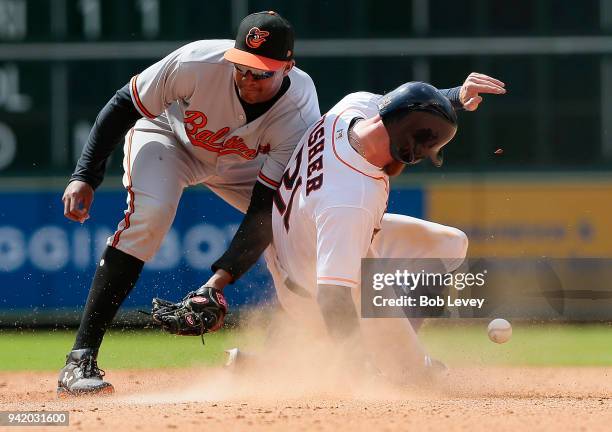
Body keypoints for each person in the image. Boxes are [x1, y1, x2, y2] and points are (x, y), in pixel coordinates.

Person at [57, 11, 320, 397]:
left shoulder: (299, 115)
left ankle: (282, 355)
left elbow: (264, 210)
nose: (248, 80)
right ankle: (79, 360)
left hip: (240, 163)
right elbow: (123, 105)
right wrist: (85, 175)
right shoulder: (196, 62)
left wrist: (218, 281)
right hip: (169, 137)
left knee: (293, 228)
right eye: (242, 68)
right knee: (151, 216)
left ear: (288, 68)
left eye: (261, 72)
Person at [220, 77, 505, 381]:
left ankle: (388, 347)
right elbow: (333, 296)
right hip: (312, 293)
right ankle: (280, 370)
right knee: (418, 379)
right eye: (424, 151)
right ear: (409, 149)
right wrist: (357, 366)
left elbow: (406, 106)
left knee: (450, 244)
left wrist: (455, 96)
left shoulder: (352, 107)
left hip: (304, 238)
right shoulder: (351, 199)